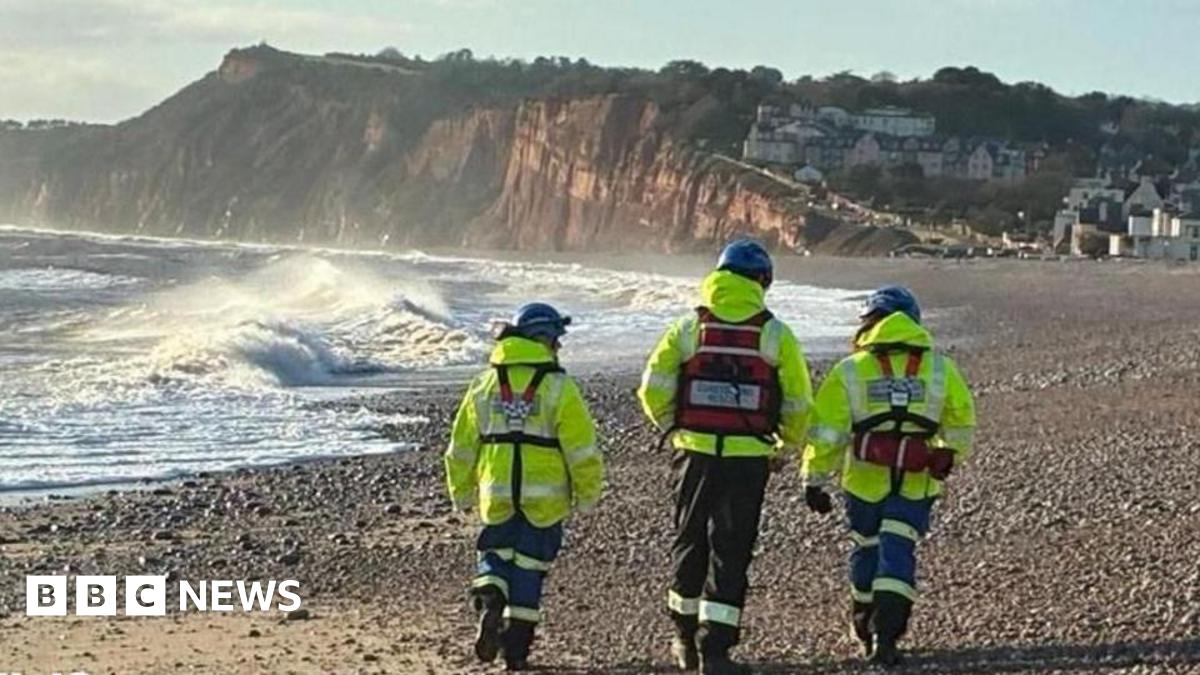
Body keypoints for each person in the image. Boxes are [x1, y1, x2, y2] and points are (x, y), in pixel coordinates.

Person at [638, 240, 813, 674]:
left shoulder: (688, 328)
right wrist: (785, 447)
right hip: (748, 457)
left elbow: (652, 387)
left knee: (689, 540)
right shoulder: (775, 334)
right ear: (762, 281)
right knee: (731, 549)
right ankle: (716, 651)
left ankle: (683, 638)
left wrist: (671, 427)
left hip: (693, 454)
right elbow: (797, 403)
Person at [801, 285, 975, 667]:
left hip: (863, 481)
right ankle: (888, 636)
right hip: (916, 481)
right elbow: (961, 421)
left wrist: (814, 479)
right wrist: (948, 454)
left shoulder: (850, 370)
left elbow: (828, 432)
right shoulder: (940, 368)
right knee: (898, 548)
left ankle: (863, 624)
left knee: (867, 548)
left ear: (869, 324)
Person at [444, 302, 604, 671]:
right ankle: (516, 650)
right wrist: (588, 493)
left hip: (495, 491)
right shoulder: (559, 388)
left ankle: (489, 598)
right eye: (556, 341)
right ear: (543, 339)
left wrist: (462, 492)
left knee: (494, 555)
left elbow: (461, 446)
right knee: (530, 567)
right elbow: (582, 450)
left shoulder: (484, 385)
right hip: (544, 499)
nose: (559, 349)